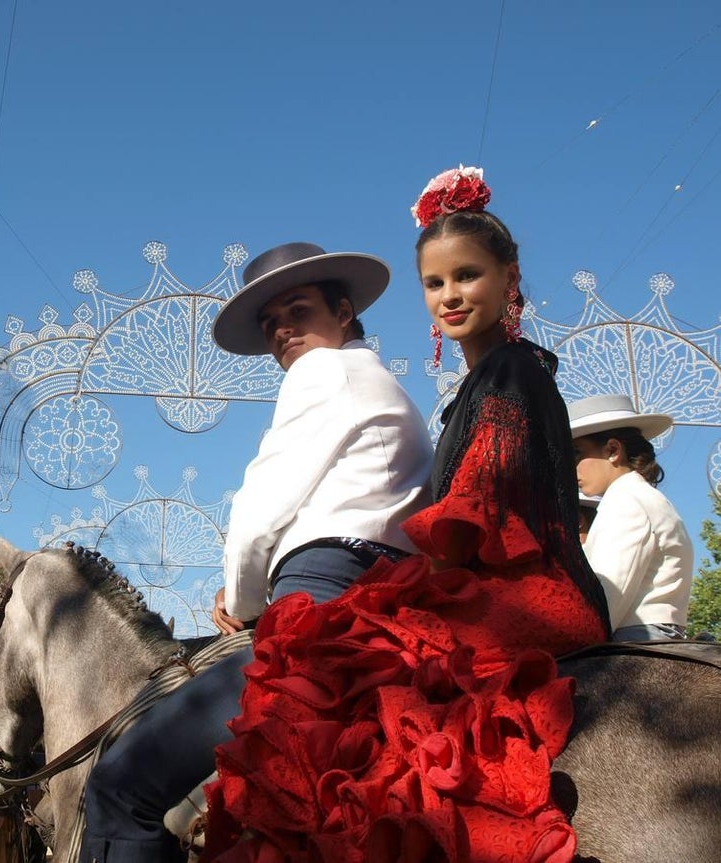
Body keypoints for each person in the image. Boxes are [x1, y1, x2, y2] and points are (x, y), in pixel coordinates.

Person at [200, 167, 611, 862]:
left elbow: (473, 516)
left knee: (337, 675)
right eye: (435, 282)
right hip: (496, 586)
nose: (450, 295)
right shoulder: (472, 386)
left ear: (509, 278)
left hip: (529, 593)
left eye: (467, 275)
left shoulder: (511, 371)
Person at [78, 241, 435, 863]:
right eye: (271, 323)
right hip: (375, 598)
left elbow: (258, 512)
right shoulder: (380, 384)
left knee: (118, 783)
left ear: (344, 311)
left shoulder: (323, 372)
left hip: (317, 608)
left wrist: (243, 603)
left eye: (298, 311)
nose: (282, 331)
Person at [569, 393, 694, 641]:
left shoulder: (627, 500)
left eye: (576, 454)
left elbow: (605, 600)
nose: (571, 468)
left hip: (636, 638)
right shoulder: (641, 495)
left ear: (613, 450)